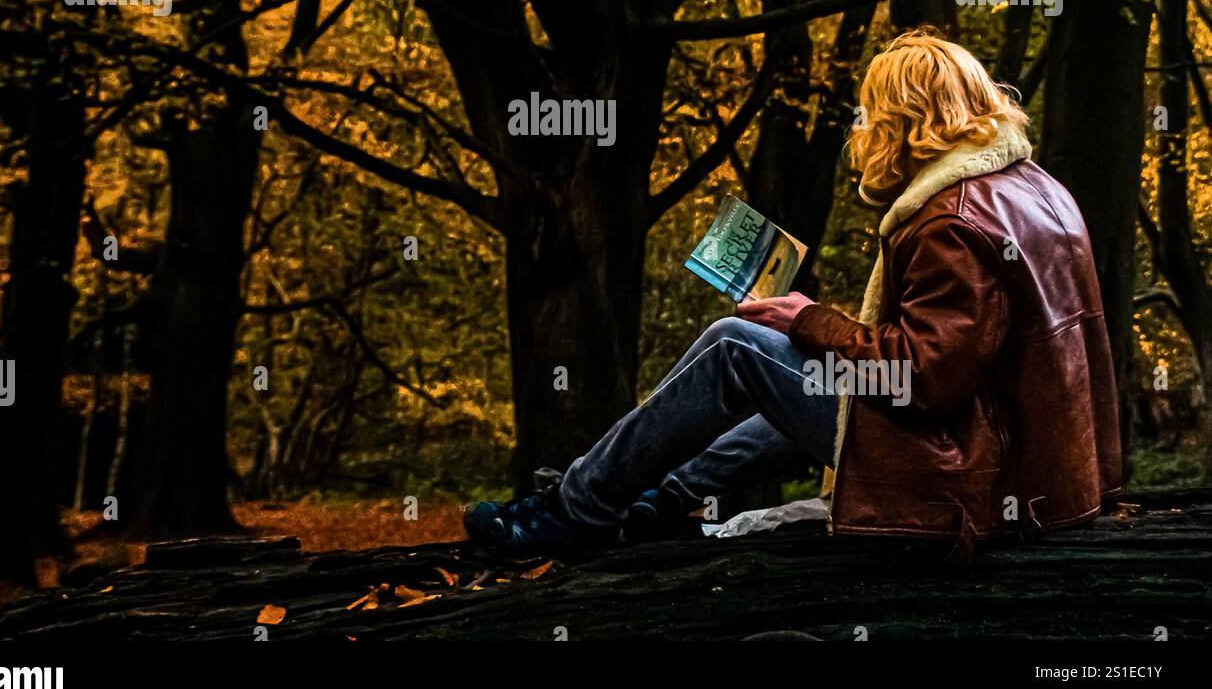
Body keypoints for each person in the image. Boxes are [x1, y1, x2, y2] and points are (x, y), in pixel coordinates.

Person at [464, 29, 1122, 556]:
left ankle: (574, 511)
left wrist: (817, 323)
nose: (862, 128)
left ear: (903, 117)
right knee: (787, 362)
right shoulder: (1033, 188)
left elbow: (923, 376)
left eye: (872, 113)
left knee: (734, 346)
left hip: (967, 482)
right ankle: (653, 500)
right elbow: (963, 348)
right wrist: (812, 328)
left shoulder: (949, 218)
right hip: (1028, 477)